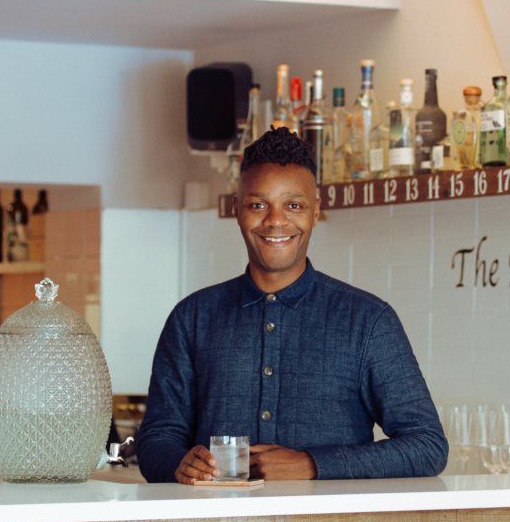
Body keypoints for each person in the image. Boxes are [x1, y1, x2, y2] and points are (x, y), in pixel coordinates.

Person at [137, 126, 447, 484]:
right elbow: (156, 441)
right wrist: (178, 463)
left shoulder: (368, 320)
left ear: (315, 213)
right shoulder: (192, 318)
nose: (276, 220)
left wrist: (313, 465)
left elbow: (427, 447)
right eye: (258, 205)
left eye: (294, 205)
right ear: (237, 211)